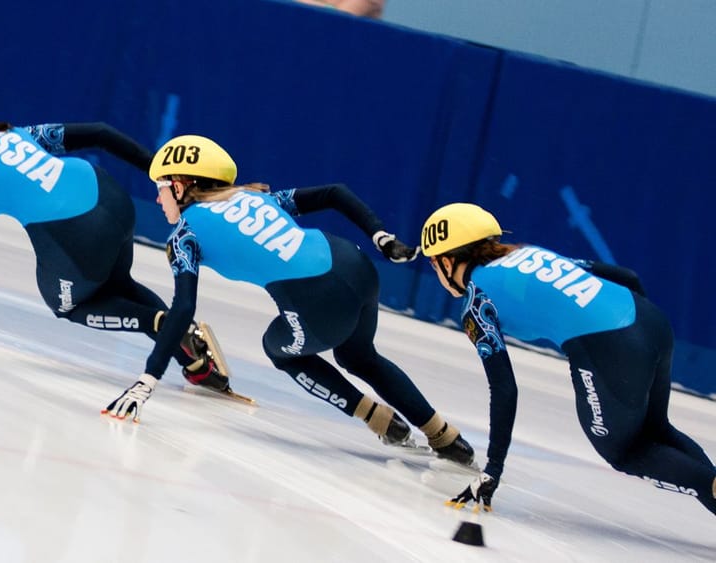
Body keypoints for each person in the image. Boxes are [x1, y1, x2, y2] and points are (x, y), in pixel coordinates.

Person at [103, 134, 474, 465]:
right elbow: (335, 193)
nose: (157, 195)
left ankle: (374, 416)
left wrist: (147, 379)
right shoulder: (253, 196)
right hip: (355, 265)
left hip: (319, 298)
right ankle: (445, 436)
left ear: (182, 186)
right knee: (360, 357)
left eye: (162, 186)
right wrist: (380, 237)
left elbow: (183, 309)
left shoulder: (185, 235)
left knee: (277, 347)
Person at [0, 73, 227, 391]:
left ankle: (160, 323)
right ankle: (196, 364)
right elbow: (100, 133)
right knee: (116, 285)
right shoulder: (11, 133)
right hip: (106, 194)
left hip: (73, 227)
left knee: (69, 303)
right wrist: (161, 175)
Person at [421, 202, 716, 515]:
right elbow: (626, 276)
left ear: (448, 261)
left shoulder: (476, 302)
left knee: (624, 451)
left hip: (610, 345)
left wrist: (492, 468)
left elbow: (505, 389)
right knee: (658, 432)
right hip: (648, 321)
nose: (436, 272)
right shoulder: (527, 253)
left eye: (433, 264)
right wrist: (634, 336)